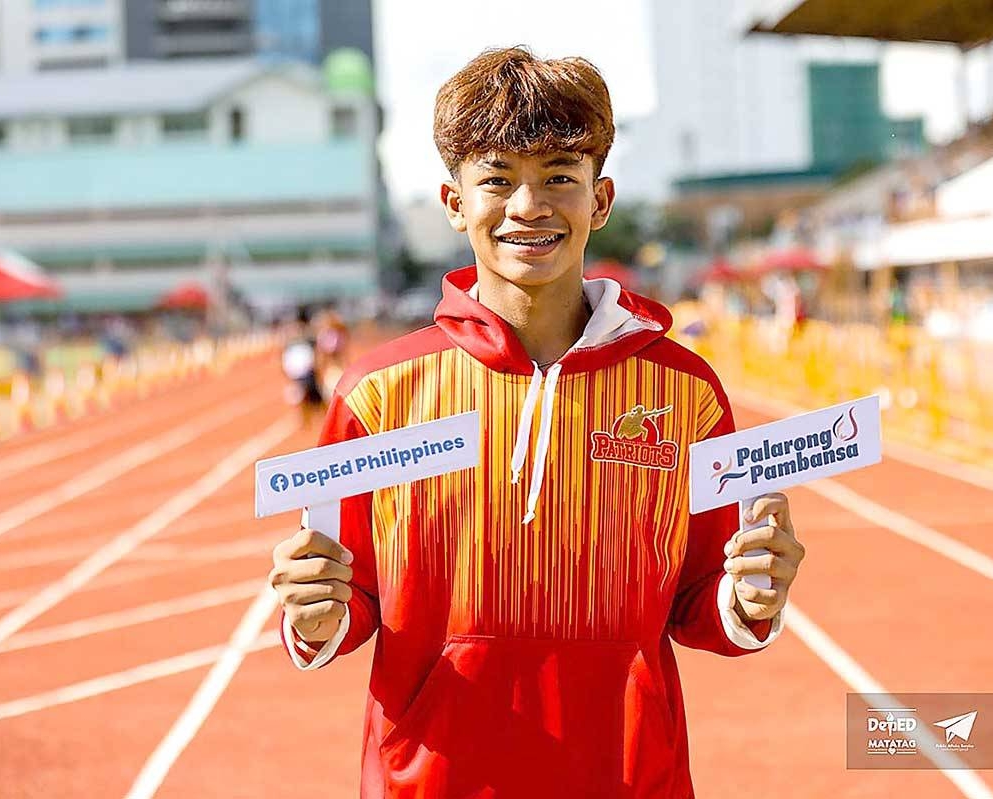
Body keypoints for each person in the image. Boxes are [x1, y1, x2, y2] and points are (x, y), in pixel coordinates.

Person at [268, 47, 805, 798]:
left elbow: (702, 596)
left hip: (628, 779)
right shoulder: (379, 395)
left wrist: (748, 598)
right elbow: (347, 602)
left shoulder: (686, 393)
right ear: (455, 203)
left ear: (601, 198)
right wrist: (317, 610)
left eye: (559, 175)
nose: (529, 206)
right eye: (497, 179)